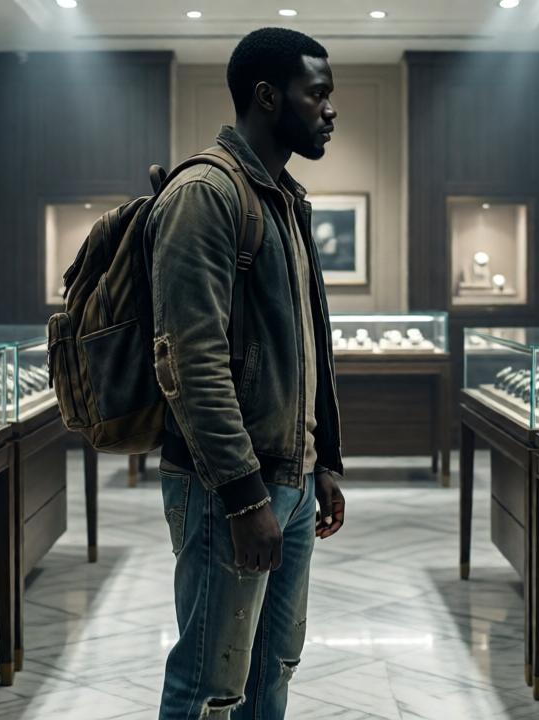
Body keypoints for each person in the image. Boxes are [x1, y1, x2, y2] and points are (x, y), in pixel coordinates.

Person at [147, 27, 346, 720]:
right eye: (316, 93)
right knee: (211, 684)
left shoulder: (285, 198)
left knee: (272, 672)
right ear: (268, 97)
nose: (330, 109)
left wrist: (324, 459)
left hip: (287, 482)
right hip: (224, 486)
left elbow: (310, 345)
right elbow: (189, 360)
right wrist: (241, 496)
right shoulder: (205, 193)